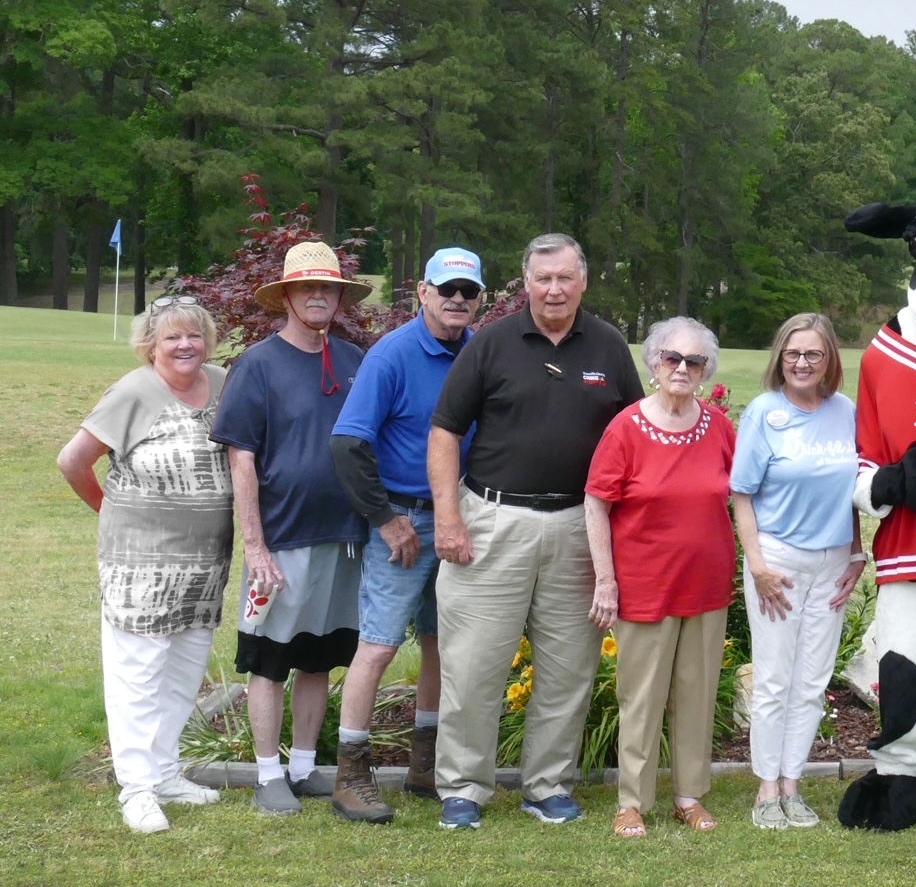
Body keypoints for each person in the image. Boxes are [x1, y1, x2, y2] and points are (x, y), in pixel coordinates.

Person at [427, 233, 643, 830]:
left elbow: (635, 436)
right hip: (492, 524)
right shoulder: (491, 344)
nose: (554, 289)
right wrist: (448, 518)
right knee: (473, 667)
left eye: (565, 277)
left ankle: (547, 785)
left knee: (569, 667)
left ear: (584, 280)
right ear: (525, 282)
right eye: (543, 278)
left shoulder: (609, 346)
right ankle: (464, 788)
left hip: (580, 525)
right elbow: (445, 432)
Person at [57, 297, 235, 833]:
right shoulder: (133, 392)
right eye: (172, 339)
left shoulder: (225, 384)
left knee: (184, 668)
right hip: (140, 564)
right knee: (138, 672)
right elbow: (72, 461)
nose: (185, 346)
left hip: (205, 561)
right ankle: (136, 789)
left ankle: (166, 772)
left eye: (194, 336)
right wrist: (109, 509)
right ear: (150, 346)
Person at [326, 246, 485, 824]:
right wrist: (386, 520)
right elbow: (347, 442)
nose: (457, 301)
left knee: (442, 643)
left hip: (459, 519)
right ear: (423, 292)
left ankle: (426, 766)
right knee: (380, 645)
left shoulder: (477, 352)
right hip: (402, 523)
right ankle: (351, 775)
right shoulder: (391, 356)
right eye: (447, 290)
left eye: (469, 292)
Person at [210, 242, 370, 816]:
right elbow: (242, 459)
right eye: (307, 287)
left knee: (318, 655)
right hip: (281, 540)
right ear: (286, 296)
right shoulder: (257, 364)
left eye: (329, 288)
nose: (319, 296)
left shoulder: (356, 360)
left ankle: (303, 767)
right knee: (269, 657)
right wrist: (255, 546)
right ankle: (265, 773)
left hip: (345, 538)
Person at [587, 317, 737, 838]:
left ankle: (689, 796)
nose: (682, 368)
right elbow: (596, 504)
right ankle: (633, 801)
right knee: (642, 695)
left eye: (694, 361)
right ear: (653, 364)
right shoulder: (626, 427)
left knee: (697, 693)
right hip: (644, 585)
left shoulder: (718, 425)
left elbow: (741, 494)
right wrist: (605, 580)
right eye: (672, 358)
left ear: (705, 370)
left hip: (706, 584)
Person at [730, 314, 864, 830]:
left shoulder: (844, 411)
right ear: (779, 359)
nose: (802, 363)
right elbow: (741, 495)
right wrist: (758, 566)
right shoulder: (765, 412)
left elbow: (849, 491)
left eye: (813, 354)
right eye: (792, 354)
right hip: (778, 564)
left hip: (832, 564)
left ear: (830, 358)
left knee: (811, 682)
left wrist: (856, 554)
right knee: (774, 680)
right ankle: (766, 790)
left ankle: (793, 784)